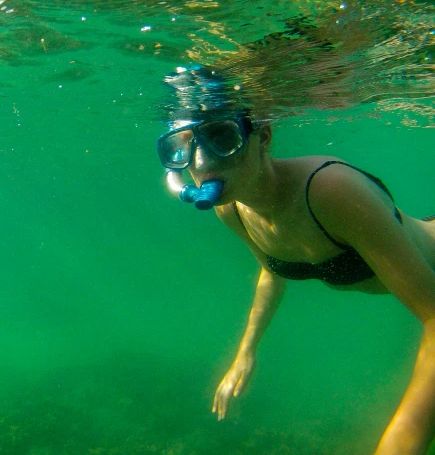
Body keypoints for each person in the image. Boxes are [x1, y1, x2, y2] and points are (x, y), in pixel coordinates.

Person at [156, 65, 435, 454]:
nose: (201, 164)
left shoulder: (330, 190)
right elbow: (272, 270)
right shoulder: (231, 208)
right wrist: (245, 353)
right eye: (182, 147)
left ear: (263, 138)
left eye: (222, 137)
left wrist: (401, 441)